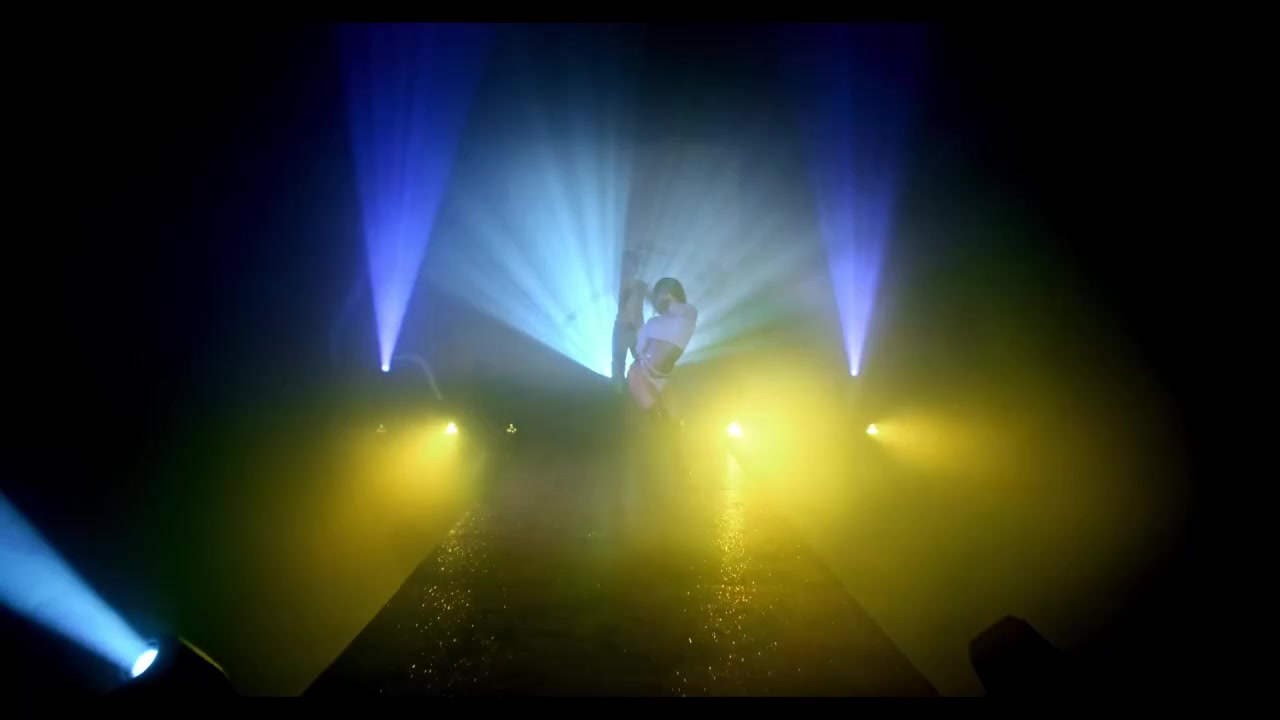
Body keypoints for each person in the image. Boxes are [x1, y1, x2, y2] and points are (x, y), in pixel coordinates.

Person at [626, 277, 697, 419]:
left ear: (675, 293)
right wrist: (637, 299)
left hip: (662, 380)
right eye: (659, 292)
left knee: (666, 419)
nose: (661, 295)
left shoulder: (688, 312)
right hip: (641, 374)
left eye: (665, 291)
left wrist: (645, 292)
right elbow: (638, 348)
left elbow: (663, 304)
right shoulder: (653, 322)